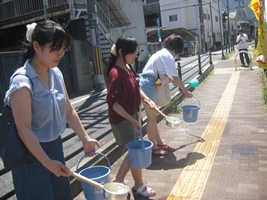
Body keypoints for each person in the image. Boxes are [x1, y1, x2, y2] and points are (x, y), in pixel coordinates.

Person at [3, 20, 100, 199]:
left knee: (62, 195)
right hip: (30, 156)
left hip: (55, 147)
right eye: (55, 49)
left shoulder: (55, 73)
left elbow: (69, 111)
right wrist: (47, 163)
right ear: (37, 46)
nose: (61, 54)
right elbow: (23, 128)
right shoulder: (22, 81)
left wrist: (85, 139)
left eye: (63, 49)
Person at [106, 36, 156, 197]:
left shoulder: (127, 68)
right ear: (121, 52)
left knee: (134, 151)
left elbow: (136, 86)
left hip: (131, 117)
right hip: (123, 120)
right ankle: (135, 184)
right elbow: (114, 104)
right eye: (133, 53)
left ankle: (120, 181)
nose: (136, 56)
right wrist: (132, 120)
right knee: (135, 152)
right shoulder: (116, 74)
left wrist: (147, 99)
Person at [139, 34, 193, 156]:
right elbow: (175, 77)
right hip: (149, 84)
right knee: (152, 119)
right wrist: (185, 91)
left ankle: (159, 143)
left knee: (153, 118)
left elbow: (165, 74)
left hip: (149, 83)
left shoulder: (162, 53)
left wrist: (168, 79)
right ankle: (153, 148)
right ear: (178, 48)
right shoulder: (168, 56)